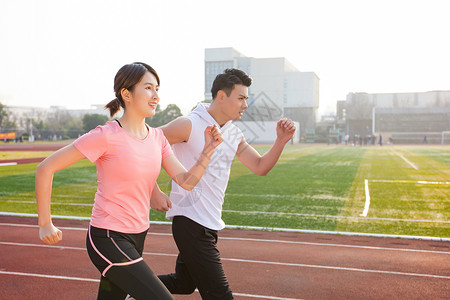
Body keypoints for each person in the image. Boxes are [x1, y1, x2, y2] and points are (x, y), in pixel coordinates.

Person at [35, 62, 223, 300]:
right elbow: (45, 168)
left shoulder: (157, 138)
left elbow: (186, 180)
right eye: (148, 88)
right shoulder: (106, 136)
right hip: (107, 237)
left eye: (157, 88)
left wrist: (208, 150)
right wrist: (45, 223)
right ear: (126, 93)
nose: (156, 95)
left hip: (138, 235)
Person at [157, 68, 296, 299]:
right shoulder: (188, 124)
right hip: (190, 222)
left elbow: (260, 167)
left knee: (183, 283)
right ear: (221, 96)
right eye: (241, 98)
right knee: (221, 296)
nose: (245, 105)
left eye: (246, 99)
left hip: (209, 223)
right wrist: (154, 189)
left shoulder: (233, 134)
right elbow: (146, 144)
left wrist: (281, 141)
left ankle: (129, 287)